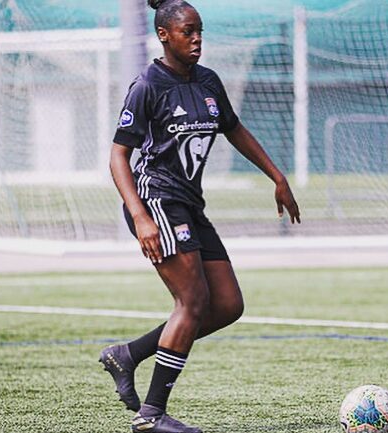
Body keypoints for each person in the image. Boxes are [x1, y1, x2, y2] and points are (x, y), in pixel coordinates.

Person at [100, 1, 301, 432]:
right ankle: (151, 416)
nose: (197, 40)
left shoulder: (208, 82)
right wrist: (139, 216)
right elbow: (118, 156)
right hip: (157, 201)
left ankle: (128, 354)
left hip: (190, 203)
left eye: (200, 32)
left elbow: (234, 128)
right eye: (188, 32)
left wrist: (277, 176)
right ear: (164, 35)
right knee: (191, 303)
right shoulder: (148, 85)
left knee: (227, 304)